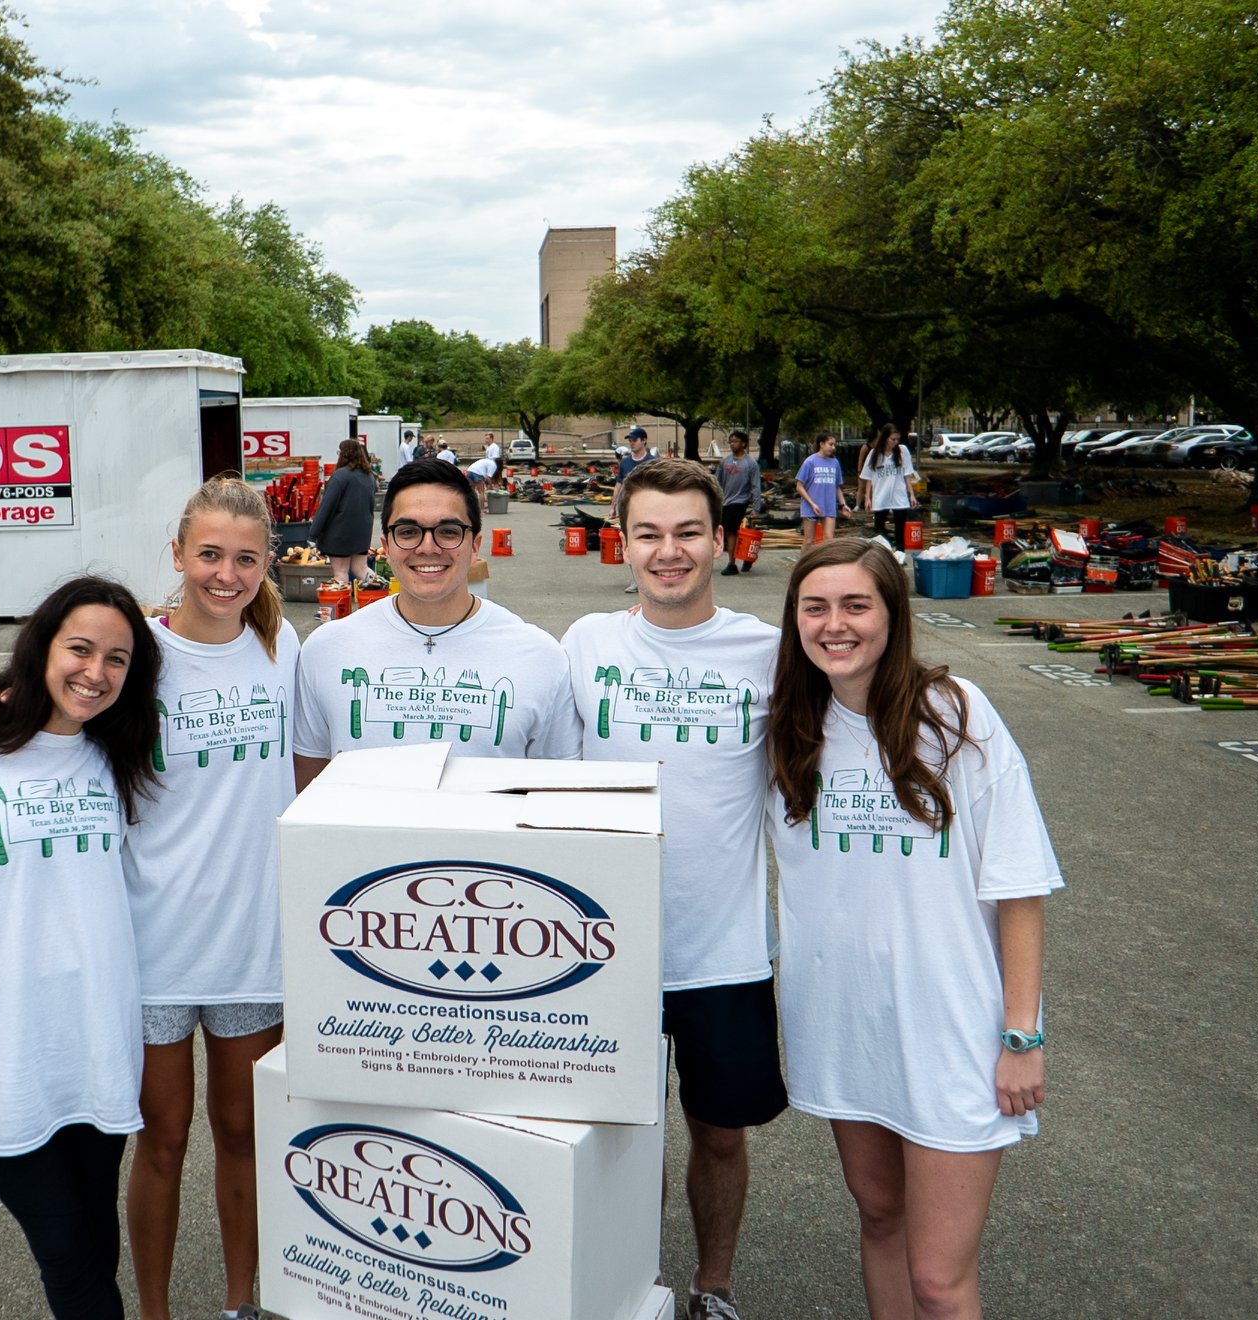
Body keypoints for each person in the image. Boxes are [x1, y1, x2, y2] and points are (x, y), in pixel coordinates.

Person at [766, 539, 1060, 1320]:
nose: (836, 625)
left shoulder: (955, 715)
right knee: (879, 1217)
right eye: (815, 607)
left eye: (857, 605)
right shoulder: (792, 729)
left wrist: (1021, 1034)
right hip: (843, 1024)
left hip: (952, 1033)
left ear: (893, 616)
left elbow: (1020, 881)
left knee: (939, 1277)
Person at [0, 575, 163, 1319]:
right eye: (79, 648)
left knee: (94, 1239)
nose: (96, 672)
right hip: (0, 1050)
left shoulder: (119, 753)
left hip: (99, 1043)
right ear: (40, 647)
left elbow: (208, 624)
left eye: (117, 659)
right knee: (68, 1254)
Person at [562, 458, 787, 1320]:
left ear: (719, 541)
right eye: (650, 533)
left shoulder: (766, 652)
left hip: (721, 947)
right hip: (603, 947)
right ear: (624, 545)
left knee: (719, 1133)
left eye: (689, 532)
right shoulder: (586, 644)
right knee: (621, 1134)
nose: (670, 551)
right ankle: (631, 1284)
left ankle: (713, 1284)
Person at [125, 477, 300, 1320]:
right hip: (153, 946)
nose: (225, 574)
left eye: (244, 557)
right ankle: (153, 1313)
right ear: (178, 555)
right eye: (209, 555)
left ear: (268, 560)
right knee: (160, 1142)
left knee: (243, 1134)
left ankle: (240, 1306)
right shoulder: (138, 658)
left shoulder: (282, 646)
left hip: (251, 946)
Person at [293, 459, 580, 788]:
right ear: (385, 547)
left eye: (448, 532)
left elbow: (558, 791)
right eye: (408, 532)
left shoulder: (540, 656)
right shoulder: (327, 650)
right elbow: (309, 786)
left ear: (475, 545)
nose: (427, 548)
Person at [308, 439, 381, 588]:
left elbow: (326, 507)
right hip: (362, 533)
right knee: (361, 569)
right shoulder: (369, 477)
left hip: (340, 534)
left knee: (341, 572)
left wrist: (312, 535)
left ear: (343, 454)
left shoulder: (340, 476)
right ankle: (380, 589)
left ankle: (341, 609)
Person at [860, 423, 919, 549]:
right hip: (881, 495)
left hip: (899, 495)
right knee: (879, 528)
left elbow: (907, 474)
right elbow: (868, 477)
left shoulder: (902, 451)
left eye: (897, 439)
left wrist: (912, 494)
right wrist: (867, 497)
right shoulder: (874, 454)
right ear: (885, 438)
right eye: (893, 439)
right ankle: (881, 553)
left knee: (900, 530)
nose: (895, 442)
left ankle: (900, 554)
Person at [614, 426, 655, 592]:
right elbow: (619, 484)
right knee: (631, 544)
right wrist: (613, 506)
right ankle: (636, 580)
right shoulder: (625, 462)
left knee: (650, 543)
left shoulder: (652, 462)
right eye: (630, 440)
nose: (632, 443)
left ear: (644, 440)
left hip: (650, 509)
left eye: (635, 440)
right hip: (629, 509)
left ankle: (651, 579)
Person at [716, 430, 762, 576]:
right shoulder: (725, 461)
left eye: (736, 441)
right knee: (726, 531)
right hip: (725, 501)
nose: (732, 444)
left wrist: (756, 507)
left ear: (743, 443)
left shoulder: (750, 463)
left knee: (730, 531)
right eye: (731, 441)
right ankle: (745, 557)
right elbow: (717, 482)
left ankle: (731, 564)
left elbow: (756, 486)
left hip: (740, 501)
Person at [795, 432, 850, 543]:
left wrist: (843, 504)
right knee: (809, 540)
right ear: (822, 444)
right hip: (811, 508)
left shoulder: (835, 463)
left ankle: (826, 561)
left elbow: (837, 487)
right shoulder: (810, 462)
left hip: (829, 507)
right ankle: (805, 560)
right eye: (830, 444)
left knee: (829, 539)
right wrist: (812, 503)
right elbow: (799, 487)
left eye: (834, 445)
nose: (833, 447)